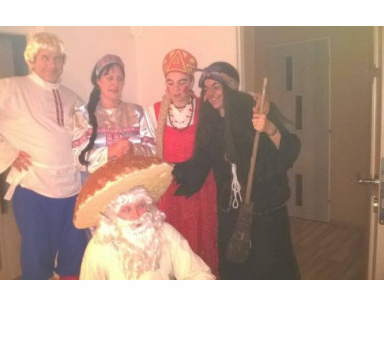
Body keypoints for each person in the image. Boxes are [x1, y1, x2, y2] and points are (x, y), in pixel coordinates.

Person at [0, 32, 89, 280]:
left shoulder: (74, 99)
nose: (52, 64)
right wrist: (6, 155)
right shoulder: (10, 88)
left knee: (75, 257)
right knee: (37, 260)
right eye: (45, 57)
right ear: (32, 60)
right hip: (33, 186)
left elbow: (87, 141)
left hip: (72, 189)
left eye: (58, 58)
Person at [173, 61, 301, 280]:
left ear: (230, 87)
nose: (210, 93)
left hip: (264, 209)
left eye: (216, 86)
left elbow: (289, 150)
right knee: (235, 266)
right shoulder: (210, 122)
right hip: (231, 211)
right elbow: (200, 163)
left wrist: (269, 127)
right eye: (206, 88)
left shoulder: (256, 110)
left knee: (268, 266)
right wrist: (169, 170)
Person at [146, 48, 219, 277]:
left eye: (182, 82)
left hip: (200, 188)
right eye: (170, 83)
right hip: (169, 189)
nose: (176, 89)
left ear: (192, 82)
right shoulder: (154, 111)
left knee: (200, 242)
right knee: (171, 243)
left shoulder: (205, 108)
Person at [80, 186, 215, 280]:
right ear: (112, 216)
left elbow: (199, 273)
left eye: (141, 206)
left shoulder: (165, 232)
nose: (136, 215)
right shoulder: (98, 246)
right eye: (127, 210)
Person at [73, 54, 155, 173]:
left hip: (134, 181)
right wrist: (110, 151)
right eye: (110, 78)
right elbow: (79, 159)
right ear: (98, 81)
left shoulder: (137, 112)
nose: (115, 84)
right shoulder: (83, 115)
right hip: (99, 183)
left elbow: (153, 151)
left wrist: (133, 149)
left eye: (119, 79)